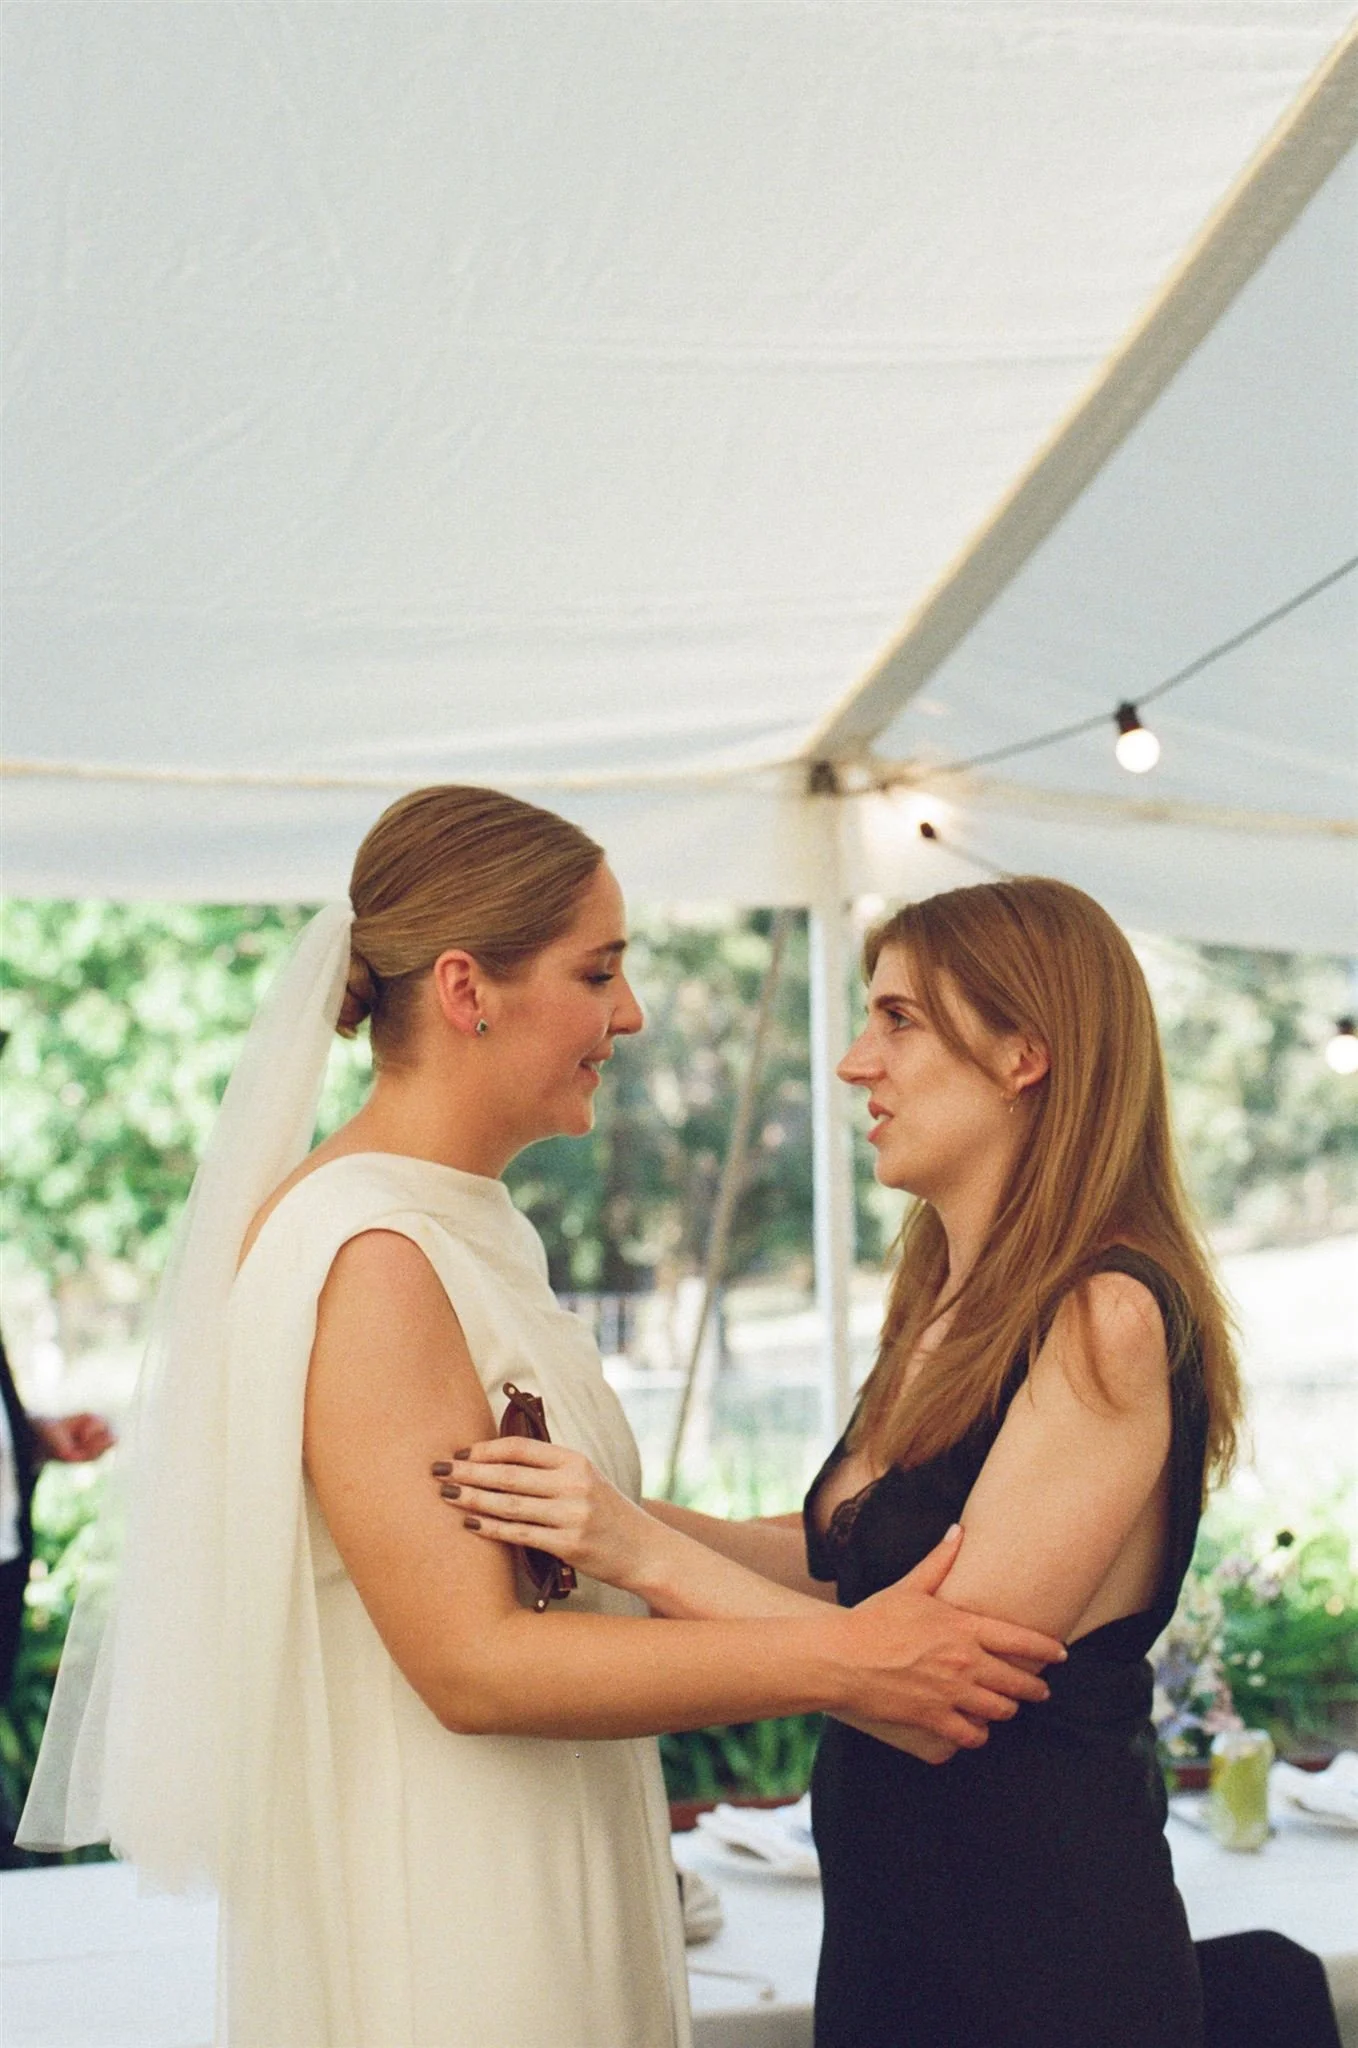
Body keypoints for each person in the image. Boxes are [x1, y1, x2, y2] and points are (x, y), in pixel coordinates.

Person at [19, 789, 1063, 2048]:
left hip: (553, 1842)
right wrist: (844, 1658)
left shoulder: (467, 1223)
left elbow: (571, 1549)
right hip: (459, 1898)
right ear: (468, 988)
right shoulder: (372, 1253)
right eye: (598, 971)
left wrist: (719, 1558)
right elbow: (473, 1659)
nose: (629, 1013)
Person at [444, 875, 1245, 2048]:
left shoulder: (1104, 1312)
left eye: (897, 1019)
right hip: (898, 1937)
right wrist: (582, 1505)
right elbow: (841, 1561)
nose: (853, 1061)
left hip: (1039, 1960)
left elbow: (931, 1688)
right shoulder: (945, 1291)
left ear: (1023, 1052)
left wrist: (634, 1545)